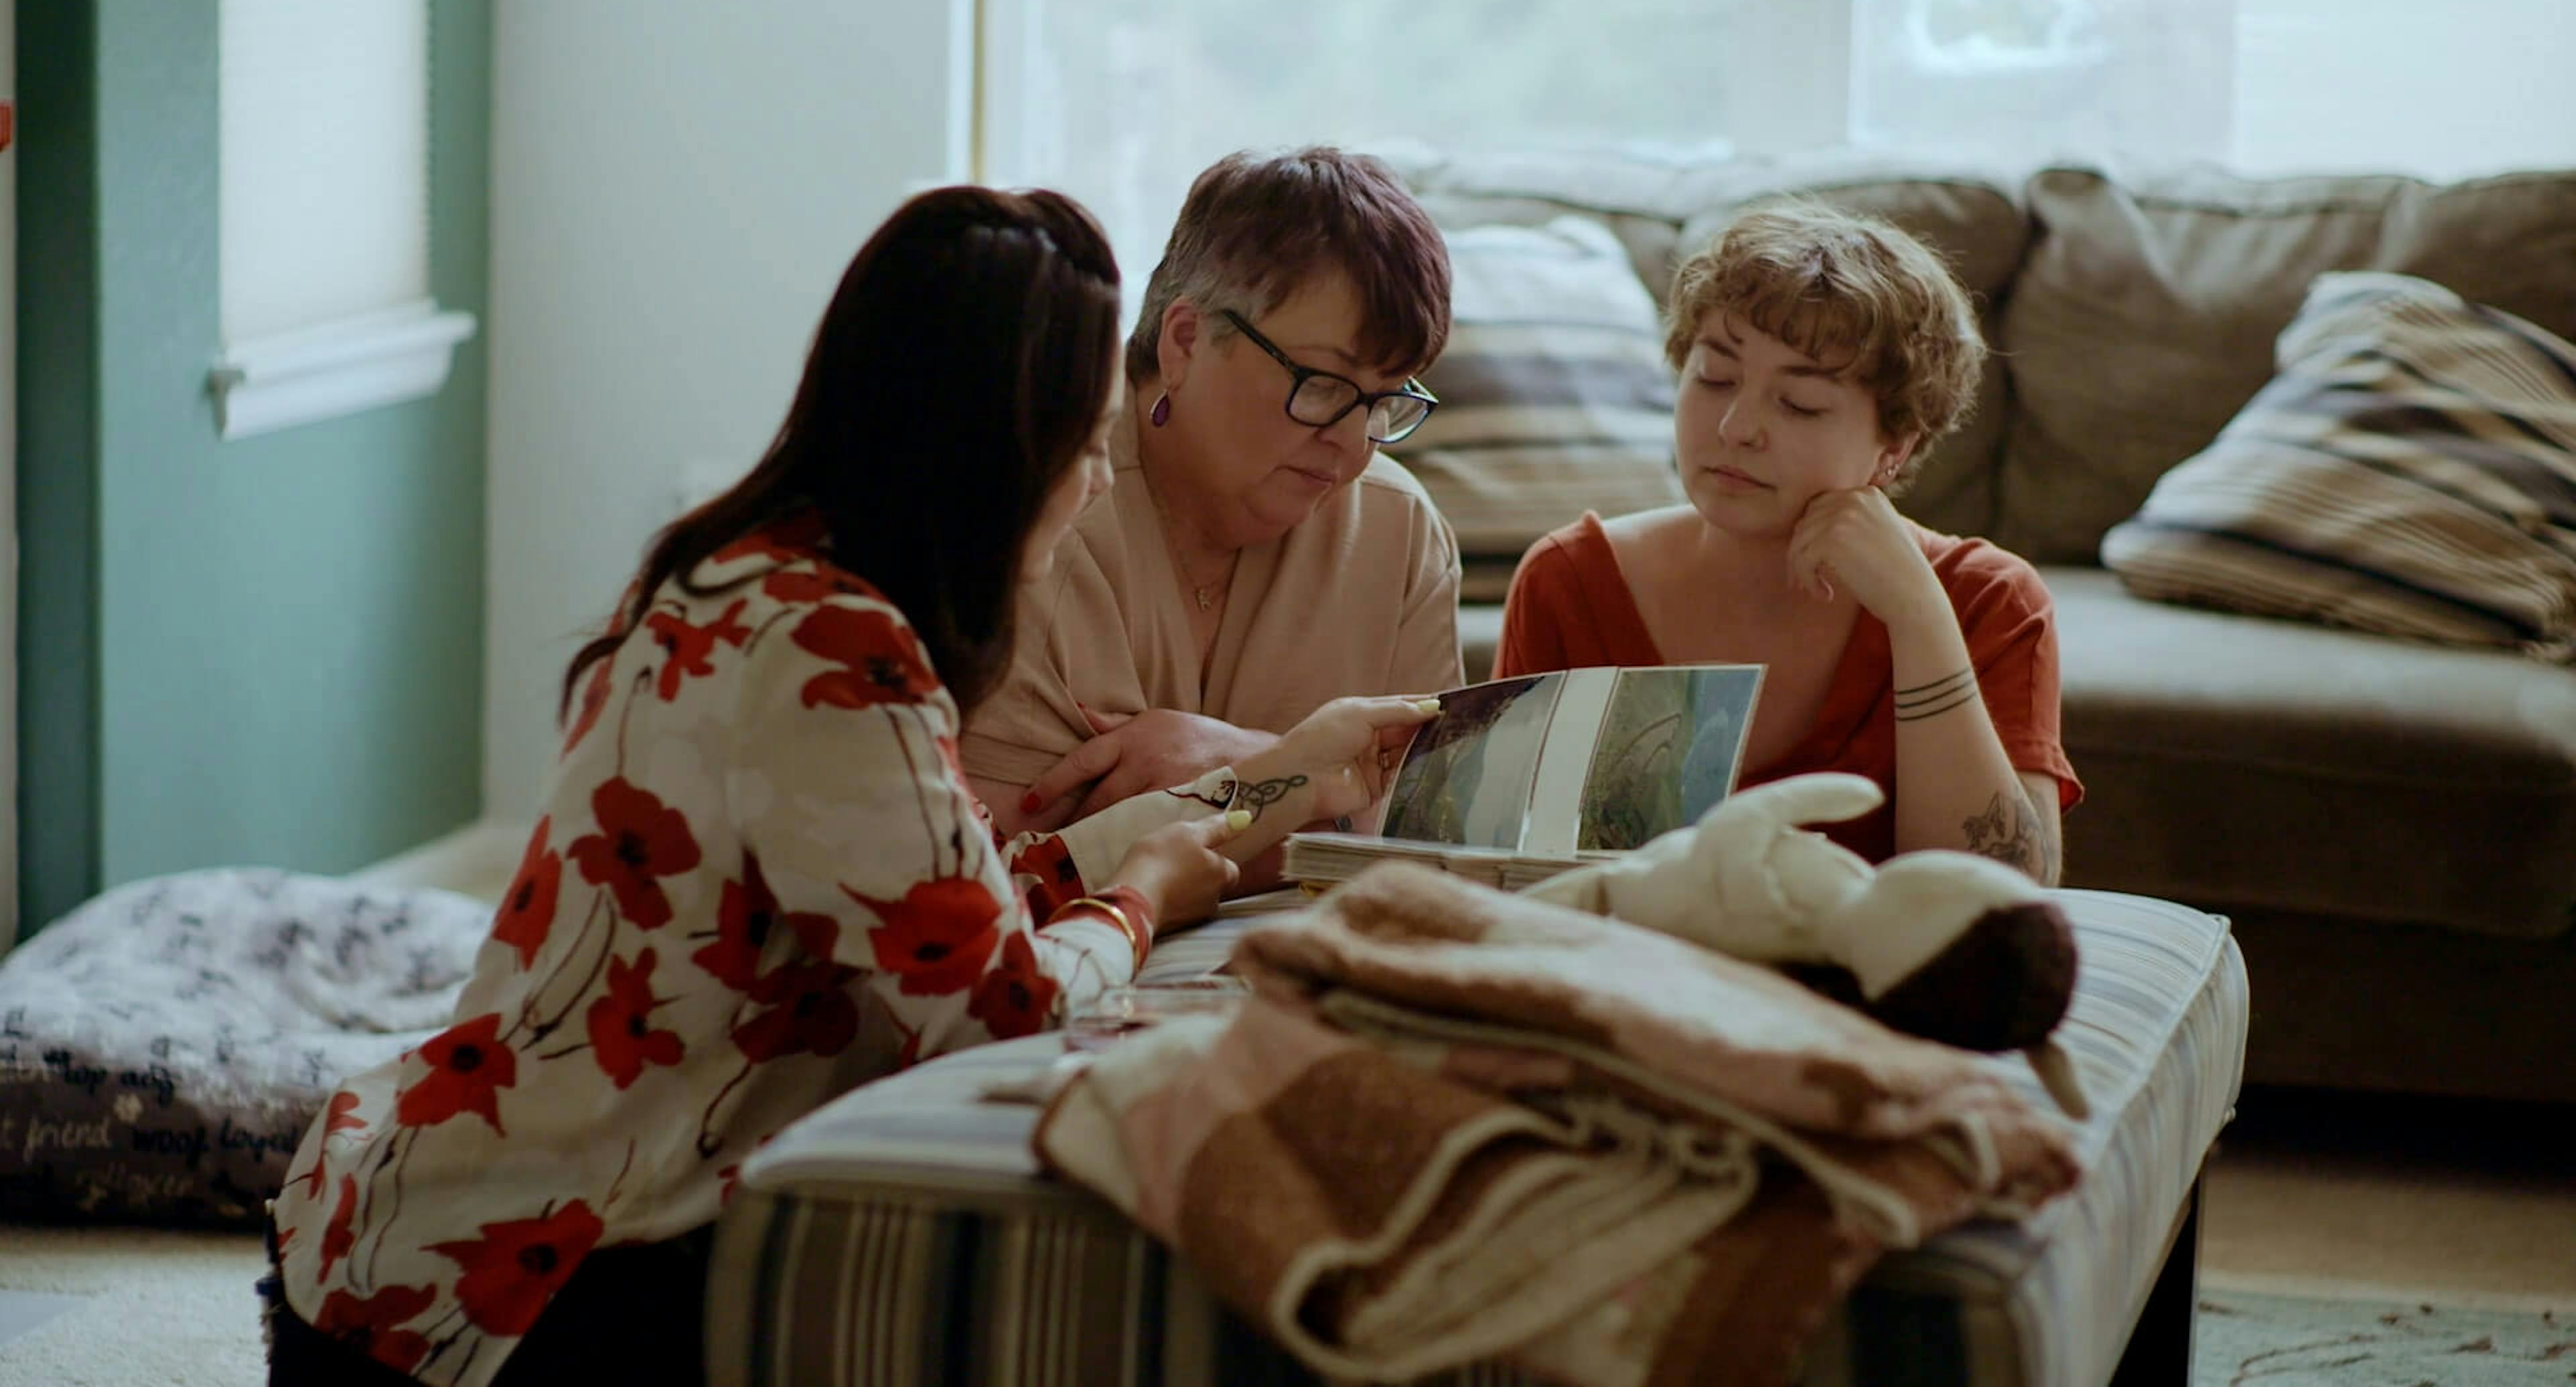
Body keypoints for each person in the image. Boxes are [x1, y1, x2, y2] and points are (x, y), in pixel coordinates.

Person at [259, 187, 1436, 1387]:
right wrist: (1135, 905)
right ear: (988, 449)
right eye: (1081, 448)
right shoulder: (831, 658)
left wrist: (1276, 777)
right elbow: (1001, 1010)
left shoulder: (751, 579)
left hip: (427, 1216)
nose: (1092, 484)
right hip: (508, 1283)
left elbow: (966, 897)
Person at [1493, 201, 2080, 882]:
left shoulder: (1988, 598)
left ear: (1896, 443)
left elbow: (2006, 894)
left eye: (1799, 403)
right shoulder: (1571, 579)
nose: (1738, 427)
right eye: (1715, 377)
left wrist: (1918, 617)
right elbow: (1510, 873)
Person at [961, 146, 1464, 842]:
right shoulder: (1040, 505)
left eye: (1385, 401)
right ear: (1187, 341)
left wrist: (1242, 765)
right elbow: (1010, 870)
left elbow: (1428, 833)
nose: (1354, 445)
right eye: (1321, 385)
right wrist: (1315, 784)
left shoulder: (1400, 530)